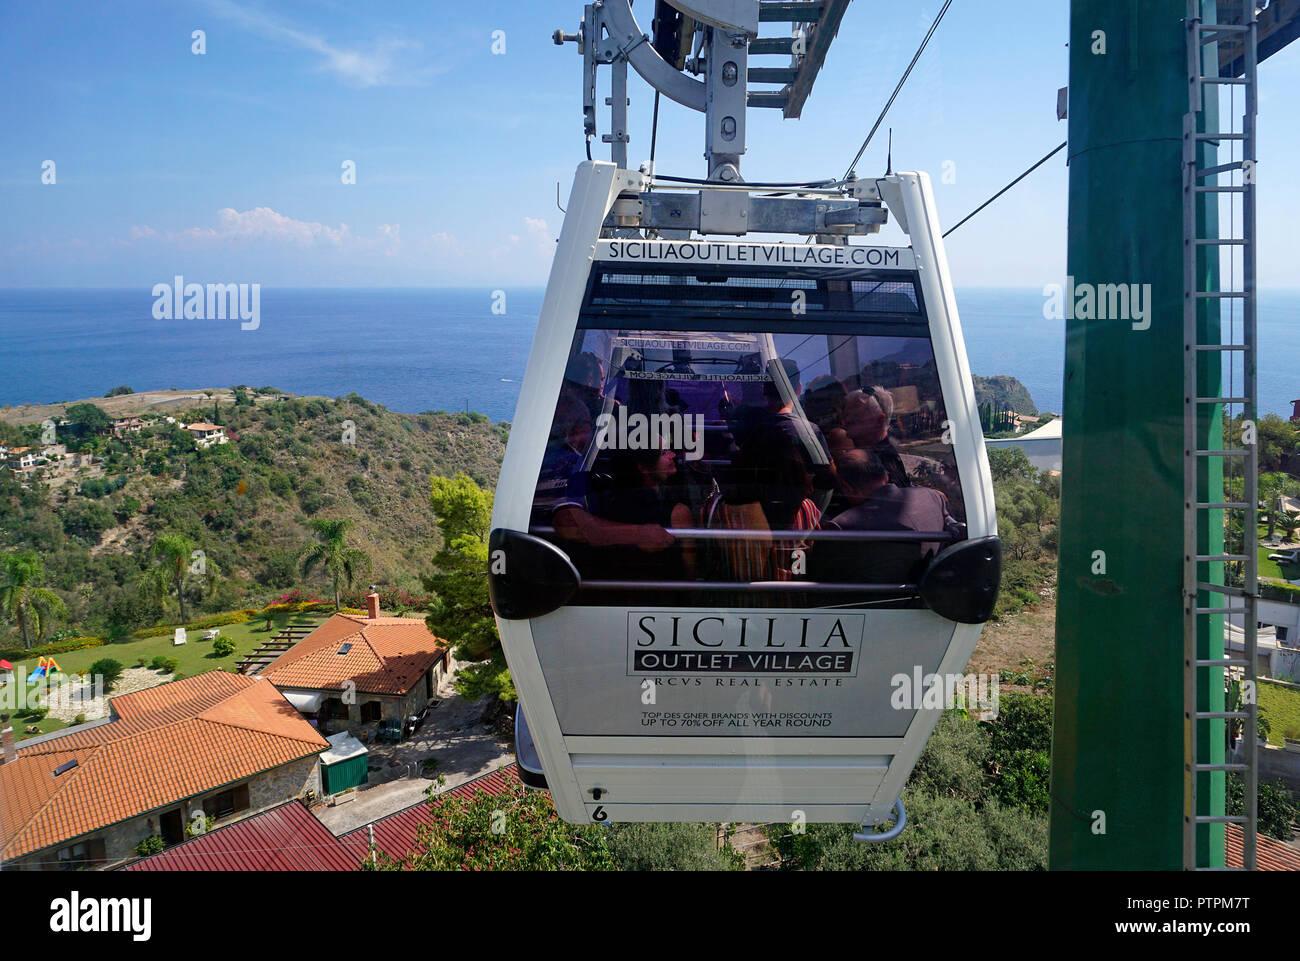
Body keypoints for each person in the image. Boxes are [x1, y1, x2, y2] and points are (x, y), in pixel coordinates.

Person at [813, 450, 963, 584]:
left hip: (865, 605)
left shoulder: (841, 526)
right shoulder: (933, 497)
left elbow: (819, 578)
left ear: (846, 487)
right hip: (926, 599)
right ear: (885, 476)